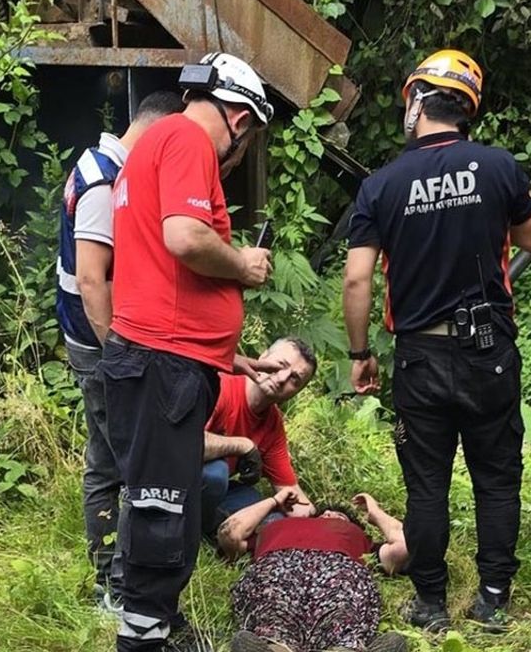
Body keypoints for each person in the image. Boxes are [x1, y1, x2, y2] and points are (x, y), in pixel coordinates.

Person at [342, 49, 531, 633]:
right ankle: (493, 599)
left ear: (415, 100)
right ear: (467, 109)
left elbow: (357, 279)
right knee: (497, 477)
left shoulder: (382, 185)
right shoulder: (499, 166)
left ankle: (430, 603)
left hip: (420, 356)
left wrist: (360, 354)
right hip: (489, 351)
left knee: (426, 483)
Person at [101, 52, 278, 652]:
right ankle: (143, 639)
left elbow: (161, 277)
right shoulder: (187, 139)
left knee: (161, 499)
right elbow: (184, 238)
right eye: (248, 139)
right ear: (239, 118)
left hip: (164, 356)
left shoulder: (152, 146)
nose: (240, 152)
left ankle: (161, 625)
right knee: (162, 508)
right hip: (162, 364)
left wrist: (228, 355)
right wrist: (244, 265)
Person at [56, 91, 185, 607]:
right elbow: (92, 280)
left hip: (91, 338)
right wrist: (119, 354)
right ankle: (118, 587)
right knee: (126, 466)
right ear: (158, 131)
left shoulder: (98, 162)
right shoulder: (105, 182)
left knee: (106, 459)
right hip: (99, 343)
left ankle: (106, 579)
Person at [221, 491, 410, 652]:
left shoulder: (360, 538)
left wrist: (375, 514)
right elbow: (229, 533)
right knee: (273, 604)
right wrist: (274, 501)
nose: (329, 514)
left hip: (340, 572)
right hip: (278, 567)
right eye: (324, 513)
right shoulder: (276, 528)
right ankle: (277, 647)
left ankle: (342, 648)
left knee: (342, 609)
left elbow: (404, 546)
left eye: (339, 516)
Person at [201, 336, 319, 532]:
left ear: (297, 392)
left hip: (212, 491)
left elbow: (290, 492)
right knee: (216, 474)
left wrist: (322, 525)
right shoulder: (220, 385)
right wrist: (243, 445)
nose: (281, 379)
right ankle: (199, 527)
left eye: (294, 379)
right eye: (280, 365)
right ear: (262, 357)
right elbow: (183, 444)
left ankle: (220, 524)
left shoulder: (273, 424)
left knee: (266, 511)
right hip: (169, 474)